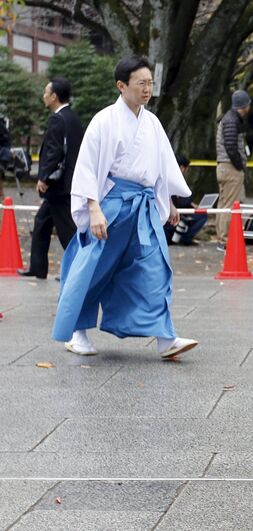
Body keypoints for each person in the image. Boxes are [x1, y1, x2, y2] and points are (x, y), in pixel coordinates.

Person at [51, 55, 197, 359]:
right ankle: (78, 332)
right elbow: (88, 167)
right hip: (113, 203)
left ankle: (164, 338)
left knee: (153, 268)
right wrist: (93, 208)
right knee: (95, 269)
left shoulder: (152, 122)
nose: (147, 90)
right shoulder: (104, 120)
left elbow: (160, 166)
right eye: (141, 83)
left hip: (144, 205)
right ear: (122, 86)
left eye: (150, 83)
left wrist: (167, 200)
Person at [18, 78, 83, 279]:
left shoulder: (57, 119)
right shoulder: (73, 118)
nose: (44, 96)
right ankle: (38, 268)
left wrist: (44, 178)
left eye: (46, 93)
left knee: (67, 230)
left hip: (58, 185)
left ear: (54, 96)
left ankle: (78, 269)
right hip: (69, 182)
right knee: (42, 222)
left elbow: (54, 152)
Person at [215, 89, 251, 251]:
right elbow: (231, 146)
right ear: (244, 105)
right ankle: (225, 240)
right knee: (230, 205)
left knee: (223, 204)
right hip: (230, 167)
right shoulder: (232, 121)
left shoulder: (227, 119)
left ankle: (221, 237)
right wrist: (239, 165)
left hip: (223, 166)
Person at [164, 155, 208, 246]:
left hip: (168, 219)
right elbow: (181, 201)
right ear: (182, 168)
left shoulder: (165, 176)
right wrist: (190, 204)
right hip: (172, 219)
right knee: (202, 215)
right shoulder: (176, 180)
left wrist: (191, 203)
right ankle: (186, 238)